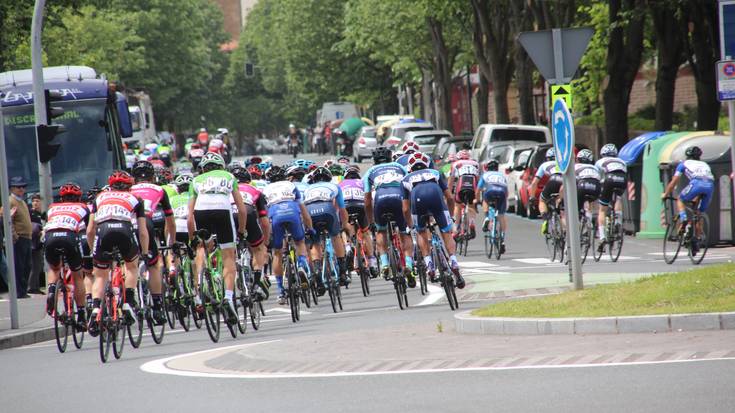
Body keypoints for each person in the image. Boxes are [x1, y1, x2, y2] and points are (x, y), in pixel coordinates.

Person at [86, 171, 149, 335]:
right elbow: (142, 231)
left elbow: (90, 230)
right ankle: (128, 302)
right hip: (124, 230)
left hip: (103, 231)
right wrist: (145, 252)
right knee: (131, 266)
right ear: (129, 186)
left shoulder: (99, 198)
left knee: (100, 275)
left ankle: (95, 310)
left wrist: (93, 249)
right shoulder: (136, 199)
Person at [188, 153, 248, 323]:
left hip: (201, 212)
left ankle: (204, 281)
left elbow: (189, 215)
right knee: (229, 256)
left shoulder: (196, 180)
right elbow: (242, 210)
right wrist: (242, 231)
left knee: (203, 247)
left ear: (203, 168)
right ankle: (228, 297)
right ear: (221, 166)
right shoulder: (229, 176)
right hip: (222, 210)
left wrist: (194, 238)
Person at [401, 152, 464, 288]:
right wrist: (451, 217)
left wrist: (411, 225)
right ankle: (453, 260)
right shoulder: (435, 173)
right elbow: (450, 198)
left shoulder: (406, 179)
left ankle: (429, 264)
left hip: (417, 200)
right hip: (435, 196)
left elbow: (405, 209)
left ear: (410, 167)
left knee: (422, 233)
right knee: (445, 232)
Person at [130, 160, 176, 325]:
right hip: (146, 223)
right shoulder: (159, 189)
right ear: (152, 176)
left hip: (127, 225)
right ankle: (157, 306)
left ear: (133, 177)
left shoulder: (127, 190)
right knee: (154, 264)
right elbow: (170, 220)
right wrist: (173, 242)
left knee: (128, 262)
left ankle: (128, 299)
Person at [261, 166, 314, 305]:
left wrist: (266, 235)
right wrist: (310, 228)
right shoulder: (291, 185)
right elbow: (303, 211)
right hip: (292, 212)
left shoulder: (265, 189)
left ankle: (280, 291)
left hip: (275, 215)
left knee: (277, 252)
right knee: (299, 242)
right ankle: (302, 266)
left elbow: (263, 216)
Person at [363, 147, 415, 286]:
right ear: (390, 157)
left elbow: (367, 201)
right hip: (398, 198)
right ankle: (409, 265)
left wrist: (371, 221)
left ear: (374, 160)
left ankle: (385, 264)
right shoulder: (399, 166)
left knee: (381, 231)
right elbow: (410, 186)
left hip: (381, 200)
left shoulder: (370, 171)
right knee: (405, 233)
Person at [43, 183, 90, 328]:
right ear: (78, 197)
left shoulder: (51, 207)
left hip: (50, 237)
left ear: (62, 198)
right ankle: (81, 315)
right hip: (69, 236)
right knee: (77, 275)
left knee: (54, 268)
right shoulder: (83, 207)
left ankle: (51, 290)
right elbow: (89, 231)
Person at [661, 145, 713, 255]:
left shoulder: (683, 164)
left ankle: (684, 219)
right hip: (710, 186)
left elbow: (674, 182)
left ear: (687, 155)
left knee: (680, 198)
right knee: (698, 213)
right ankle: (697, 240)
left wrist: (665, 194)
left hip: (696, 183)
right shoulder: (705, 164)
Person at [304, 166, 350, 290]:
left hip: (310, 211)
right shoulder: (334, 186)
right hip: (327, 209)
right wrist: (344, 224)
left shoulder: (307, 189)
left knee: (315, 242)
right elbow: (342, 209)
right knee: (336, 237)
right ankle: (342, 272)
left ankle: (317, 269)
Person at [230, 166, 270, 299]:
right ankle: (258, 282)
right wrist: (265, 242)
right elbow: (264, 221)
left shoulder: (227, 189)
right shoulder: (255, 190)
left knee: (227, 250)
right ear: (248, 180)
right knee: (258, 248)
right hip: (248, 213)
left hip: (229, 215)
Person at [339, 165, 379, 277]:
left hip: (346, 206)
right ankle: (372, 262)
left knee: (344, 226)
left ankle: (348, 246)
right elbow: (370, 200)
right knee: (366, 232)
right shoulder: (362, 182)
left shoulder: (340, 184)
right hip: (360, 206)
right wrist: (372, 220)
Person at [0, 177, 33, 298]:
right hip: (19, 238)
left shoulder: (22, 201)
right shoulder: (10, 201)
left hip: (27, 237)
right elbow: (8, 220)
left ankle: (23, 290)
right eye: (19, 187)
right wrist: (14, 236)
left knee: (27, 265)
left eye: (23, 187)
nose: (22, 189)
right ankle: (19, 291)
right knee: (19, 266)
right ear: (12, 188)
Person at [595, 144, 627, 249]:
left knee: (602, 210)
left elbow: (597, 178)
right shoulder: (621, 161)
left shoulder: (600, 162)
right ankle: (618, 222)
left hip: (609, 178)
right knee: (618, 198)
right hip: (622, 179)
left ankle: (602, 237)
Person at [447, 149, 480, 239]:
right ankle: (472, 223)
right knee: (471, 205)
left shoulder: (455, 164)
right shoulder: (475, 164)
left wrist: (448, 193)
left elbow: (451, 180)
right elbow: (478, 179)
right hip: (472, 184)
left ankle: (456, 228)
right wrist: (478, 196)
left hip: (461, 184)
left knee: (457, 205)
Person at [477, 160, 508, 254]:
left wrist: (477, 200)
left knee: (485, 200)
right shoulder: (502, 175)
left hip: (490, 191)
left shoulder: (485, 175)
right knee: (501, 216)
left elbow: (478, 190)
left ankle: (487, 217)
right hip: (502, 193)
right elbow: (507, 192)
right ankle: (502, 239)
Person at [529, 148, 562, 235]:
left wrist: (532, 197)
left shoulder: (544, 165)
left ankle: (545, 219)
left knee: (542, 200)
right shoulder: (563, 163)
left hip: (553, 180)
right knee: (562, 203)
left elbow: (534, 183)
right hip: (564, 183)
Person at [28, 193, 46, 294]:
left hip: (39, 242)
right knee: (34, 265)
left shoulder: (43, 214)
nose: (35, 203)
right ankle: (31, 287)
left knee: (38, 265)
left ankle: (36, 286)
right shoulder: (31, 213)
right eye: (34, 201)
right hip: (33, 242)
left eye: (37, 201)